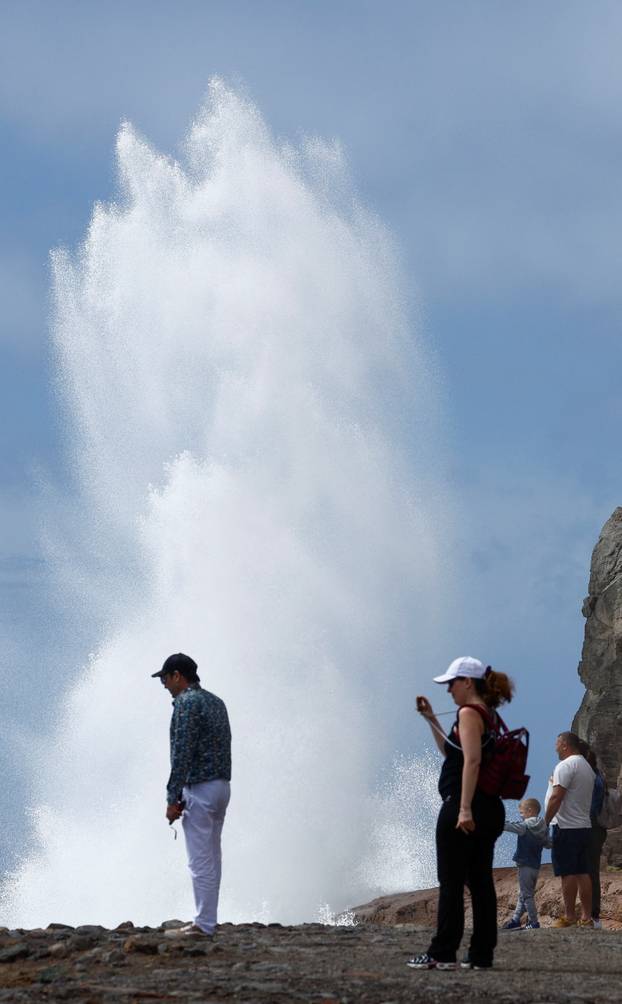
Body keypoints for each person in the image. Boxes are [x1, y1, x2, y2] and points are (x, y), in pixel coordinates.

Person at [407, 656, 513, 971]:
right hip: (490, 806)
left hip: (465, 806)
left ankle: (442, 953)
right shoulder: (489, 714)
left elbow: (472, 762)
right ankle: (481, 954)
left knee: (451, 880)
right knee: (480, 880)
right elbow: (452, 752)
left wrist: (464, 808)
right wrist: (431, 719)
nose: (449, 689)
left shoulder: (468, 712)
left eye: (452, 683)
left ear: (467, 682)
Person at [152, 652, 232, 937]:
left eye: (164, 678)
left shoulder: (187, 703)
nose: (163, 684)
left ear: (177, 676)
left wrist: (172, 798)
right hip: (221, 786)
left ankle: (204, 924)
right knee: (213, 856)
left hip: (200, 788)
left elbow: (182, 753)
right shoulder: (216, 702)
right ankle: (208, 918)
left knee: (200, 859)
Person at [544, 731, 595, 928]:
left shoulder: (565, 766)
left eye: (557, 744)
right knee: (583, 872)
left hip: (566, 827)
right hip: (583, 826)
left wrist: (545, 822)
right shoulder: (586, 766)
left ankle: (569, 916)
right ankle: (586, 918)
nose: (555, 748)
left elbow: (557, 797)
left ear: (565, 745)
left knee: (568, 872)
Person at [501, 797, 549, 930]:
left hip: (525, 866)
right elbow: (548, 844)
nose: (521, 816)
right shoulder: (544, 828)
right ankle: (516, 920)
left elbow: (509, 826)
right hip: (535, 866)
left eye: (522, 813)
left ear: (530, 811)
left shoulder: (525, 826)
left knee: (527, 895)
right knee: (523, 894)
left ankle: (534, 922)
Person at [581, 743, 606, 929]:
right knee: (591, 872)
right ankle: (592, 915)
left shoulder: (590, 778)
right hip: (595, 828)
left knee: (587, 872)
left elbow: (589, 807)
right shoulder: (598, 775)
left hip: (589, 827)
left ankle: (590, 916)